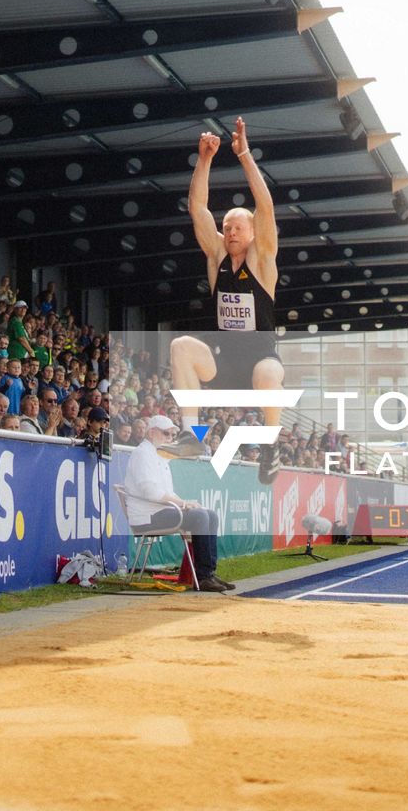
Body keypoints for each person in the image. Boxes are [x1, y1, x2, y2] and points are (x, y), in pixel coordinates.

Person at [169, 117, 283, 476]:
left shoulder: (263, 261)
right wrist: (203, 160)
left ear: (253, 233)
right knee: (181, 347)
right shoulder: (217, 258)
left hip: (259, 362)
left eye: (238, 226)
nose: (231, 231)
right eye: (227, 227)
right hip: (223, 362)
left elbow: (265, 208)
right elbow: (197, 209)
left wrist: (244, 154)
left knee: (268, 373)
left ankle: (270, 446)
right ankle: (190, 435)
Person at [120, 414, 229, 592]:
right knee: (200, 516)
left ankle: (209, 572)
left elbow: (167, 492)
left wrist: (185, 503)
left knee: (211, 514)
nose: (170, 438)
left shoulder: (159, 455)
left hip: (159, 511)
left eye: (172, 435)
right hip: (148, 515)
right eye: (166, 434)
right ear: (152, 433)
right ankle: (202, 577)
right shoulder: (142, 454)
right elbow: (150, 492)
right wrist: (182, 503)